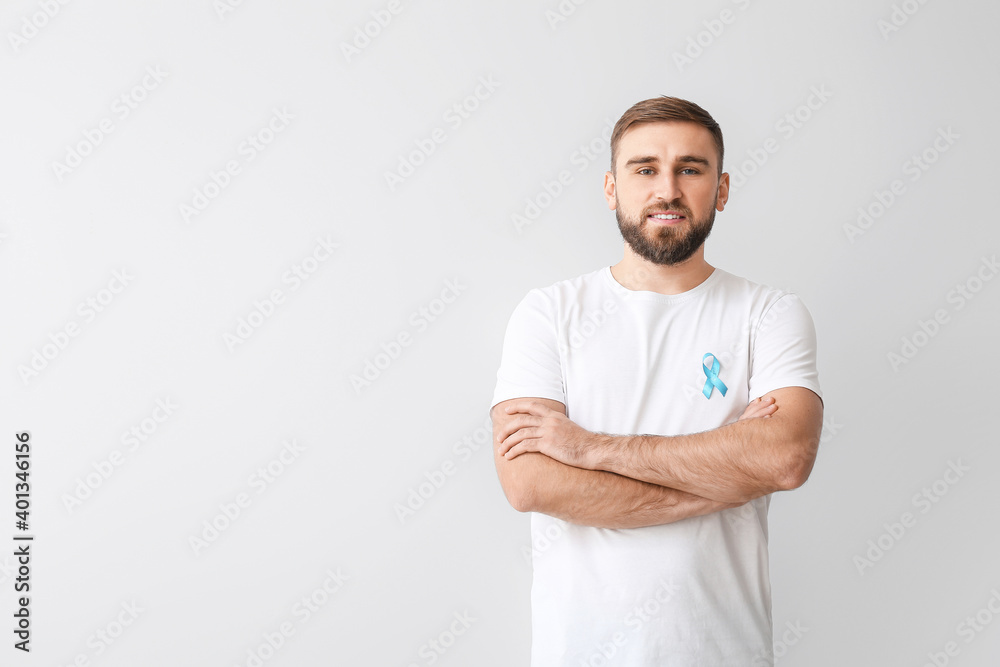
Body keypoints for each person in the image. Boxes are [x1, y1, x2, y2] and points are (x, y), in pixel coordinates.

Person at [489, 95, 824, 666]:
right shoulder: (548, 313)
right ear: (611, 188)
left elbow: (785, 459)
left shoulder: (768, 313)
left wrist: (588, 449)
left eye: (690, 169)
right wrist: (728, 475)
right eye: (644, 169)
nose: (666, 189)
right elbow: (530, 485)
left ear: (720, 189)